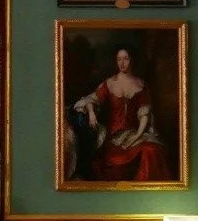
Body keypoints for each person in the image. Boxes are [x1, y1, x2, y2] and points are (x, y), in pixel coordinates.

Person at [72, 46, 171, 182]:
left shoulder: (140, 85)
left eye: (125, 59)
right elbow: (91, 100)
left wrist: (137, 135)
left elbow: (144, 115)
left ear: (131, 60)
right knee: (116, 161)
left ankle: (149, 190)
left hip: (135, 134)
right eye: (119, 59)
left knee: (152, 150)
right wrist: (91, 113)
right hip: (114, 138)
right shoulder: (109, 84)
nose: (122, 63)